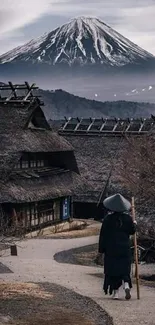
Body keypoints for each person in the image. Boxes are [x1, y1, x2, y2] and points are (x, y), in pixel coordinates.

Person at [98, 193, 137, 300]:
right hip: (124, 248)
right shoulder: (128, 219)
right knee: (124, 269)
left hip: (111, 249)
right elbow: (132, 231)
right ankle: (126, 285)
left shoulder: (107, 219)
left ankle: (115, 293)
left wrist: (101, 249)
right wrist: (134, 224)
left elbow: (103, 235)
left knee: (112, 271)